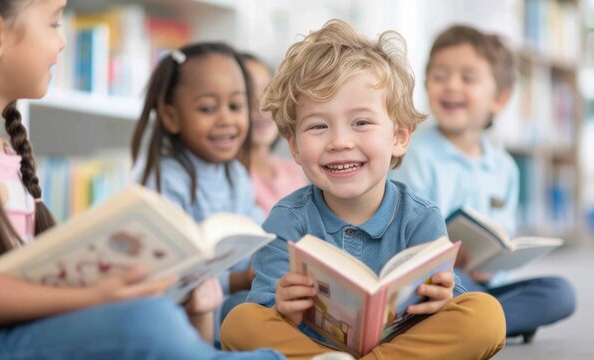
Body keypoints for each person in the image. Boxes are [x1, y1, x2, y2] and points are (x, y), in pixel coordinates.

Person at [0, 1, 281, 359]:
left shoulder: (6, 154)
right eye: (54, 23)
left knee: (157, 315)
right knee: (147, 319)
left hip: (12, 332)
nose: (62, 42)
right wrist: (91, 297)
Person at [220, 19, 506, 359]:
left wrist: (442, 297)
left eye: (361, 122)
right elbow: (265, 307)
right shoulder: (285, 219)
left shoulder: (421, 216)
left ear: (399, 137)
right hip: (314, 345)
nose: (340, 142)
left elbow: (445, 295)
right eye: (318, 126)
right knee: (239, 321)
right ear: (294, 146)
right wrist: (285, 307)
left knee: (486, 316)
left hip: (399, 342)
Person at [390, 24, 576, 343]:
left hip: (482, 287)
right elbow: (403, 235)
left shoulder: (504, 166)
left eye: (468, 77)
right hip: (435, 283)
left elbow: (502, 237)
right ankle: (483, 325)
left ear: (499, 99)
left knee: (560, 293)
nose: (451, 86)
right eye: (440, 76)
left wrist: (492, 265)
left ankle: (477, 324)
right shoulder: (415, 152)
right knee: (417, 296)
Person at [130, 43, 263, 336]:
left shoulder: (236, 175)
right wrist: (238, 280)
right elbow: (167, 276)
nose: (226, 119)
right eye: (207, 108)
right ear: (171, 116)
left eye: (236, 106)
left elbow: (257, 231)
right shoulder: (164, 178)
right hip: (174, 318)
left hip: (223, 312)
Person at [239, 53, 307, 216]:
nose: (261, 105)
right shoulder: (231, 179)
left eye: (267, 91)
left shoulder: (292, 170)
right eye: (246, 95)